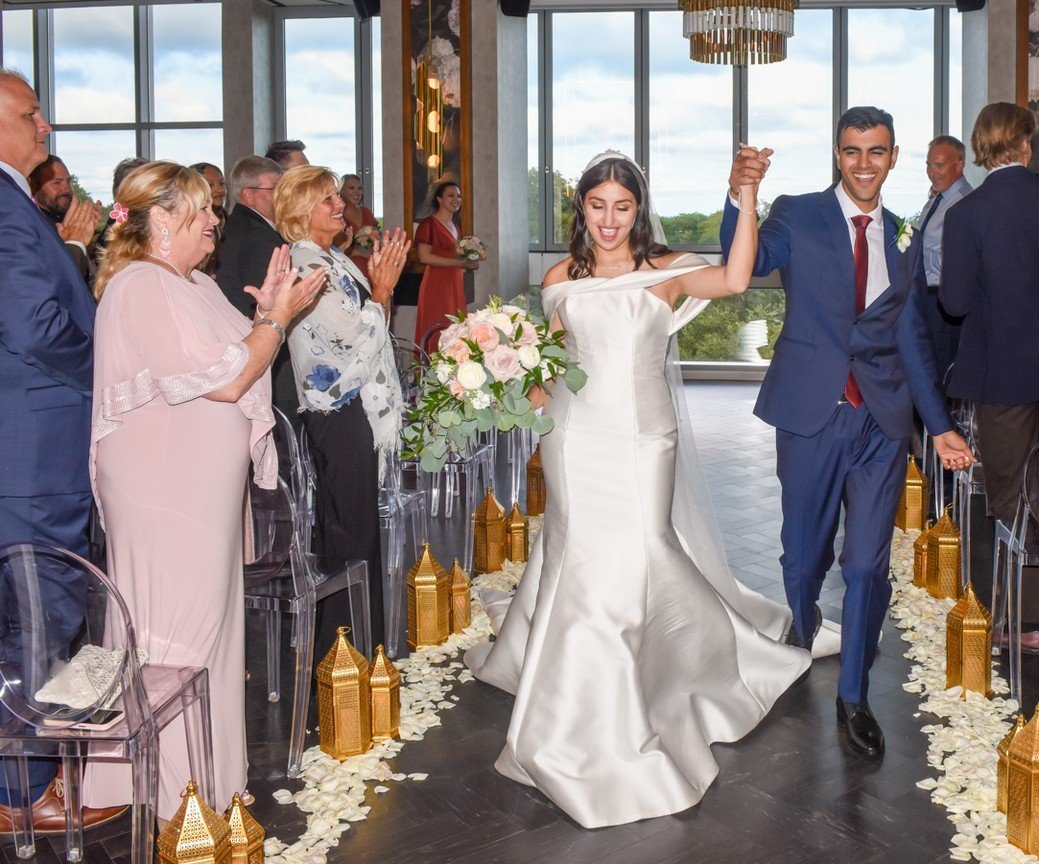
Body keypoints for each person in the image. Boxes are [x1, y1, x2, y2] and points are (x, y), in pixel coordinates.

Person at [474, 150, 814, 829]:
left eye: (620, 207)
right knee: (582, 564)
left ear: (638, 211)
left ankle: (664, 681)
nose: (607, 220)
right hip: (571, 439)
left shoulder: (664, 275)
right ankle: (580, 717)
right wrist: (501, 387)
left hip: (640, 440)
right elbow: (551, 364)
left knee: (637, 556)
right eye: (596, 206)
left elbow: (741, 274)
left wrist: (744, 195)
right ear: (582, 209)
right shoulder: (558, 278)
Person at [722, 107, 973, 758]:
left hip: (880, 419)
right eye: (852, 151)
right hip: (810, 411)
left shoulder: (902, 232)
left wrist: (938, 427)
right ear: (838, 155)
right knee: (802, 556)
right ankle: (802, 632)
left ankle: (853, 693)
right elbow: (742, 266)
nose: (864, 162)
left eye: (877, 151)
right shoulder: (795, 214)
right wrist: (737, 196)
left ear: (894, 156)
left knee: (866, 563)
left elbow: (912, 335)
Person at [83, 162, 325, 815]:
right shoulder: (138, 286)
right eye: (202, 213)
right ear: (161, 220)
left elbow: (242, 350)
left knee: (211, 633)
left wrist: (269, 310)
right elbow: (223, 379)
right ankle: (172, 797)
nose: (215, 223)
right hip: (165, 491)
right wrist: (278, 319)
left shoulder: (191, 283)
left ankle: (208, 783)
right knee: (172, 633)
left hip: (201, 493)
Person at [0, 70, 109, 833]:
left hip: (27, 457)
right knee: (44, 623)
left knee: (29, 625)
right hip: (36, 461)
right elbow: (36, 330)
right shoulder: (7, 212)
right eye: (31, 113)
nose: (45, 126)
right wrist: (109, 369)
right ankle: (23, 794)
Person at [939, 102, 1039, 655]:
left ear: (979, 145)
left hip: (1000, 372)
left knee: (1009, 494)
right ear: (1027, 145)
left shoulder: (967, 214)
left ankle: (1026, 619)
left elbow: (953, 301)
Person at [275, 166, 410, 653]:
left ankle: (362, 649)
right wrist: (380, 291)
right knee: (349, 535)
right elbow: (352, 343)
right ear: (298, 212)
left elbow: (375, 327)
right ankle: (344, 655)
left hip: (355, 412)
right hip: (336, 412)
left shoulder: (332, 259)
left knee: (358, 532)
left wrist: (380, 292)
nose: (339, 205)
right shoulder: (306, 265)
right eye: (327, 198)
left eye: (337, 196)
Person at [214, 155, 299, 419]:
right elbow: (263, 301)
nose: (284, 196)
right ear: (248, 194)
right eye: (276, 188)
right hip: (259, 348)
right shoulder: (258, 236)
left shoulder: (247, 227)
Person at [915, 135, 973, 364]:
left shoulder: (966, 203)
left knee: (942, 371)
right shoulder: (934, 201)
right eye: (928, 165)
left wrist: (919, 256)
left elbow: (961, 262)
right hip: (927, 300)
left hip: (946, 304)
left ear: (959, 164)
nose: (931, 171)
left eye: (939, 165)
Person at [413, 179, 474, 346]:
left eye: (459, 196)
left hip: (454, 283)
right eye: (451, 195)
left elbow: (457, 258)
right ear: (439, 199)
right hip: (436, 284)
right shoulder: (429, 224)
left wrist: (469, 261)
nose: (456, 199)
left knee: (455, 327)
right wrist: (458, 263)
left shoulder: (455, 226)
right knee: (438, 324)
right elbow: (424, 257)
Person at [27, 154, 102, 282]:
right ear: (34, 187)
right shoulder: (30, 226)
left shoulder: (71, 220)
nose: (66, 189)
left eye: (68, 181)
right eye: (56, 183)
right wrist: (74, 241)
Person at [339, 173, 378, 278]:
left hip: (370, 267)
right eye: (352, 188)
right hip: (347, 269)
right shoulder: (336, 214)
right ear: (341, 190)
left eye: (359, 188)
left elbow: (374, 240)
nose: (357, 192)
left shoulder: (366, 212)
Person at [190, 161, 229, 227]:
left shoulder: (229, 220)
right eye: (210, 185)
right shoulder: (192, 224)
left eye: (222, 183)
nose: (220, 190)